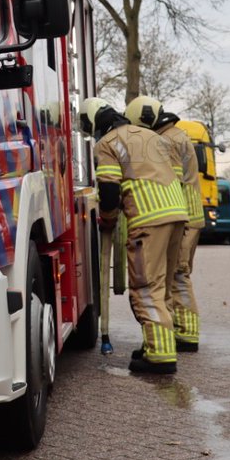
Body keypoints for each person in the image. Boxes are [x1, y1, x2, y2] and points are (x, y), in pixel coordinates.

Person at [80, 97, 189, 375]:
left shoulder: (107, 144)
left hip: (148, 218)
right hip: (178, 214)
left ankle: (160, 356)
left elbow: (109, 191)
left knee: (146, 287)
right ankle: (155, 344)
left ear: (93, 122)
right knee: (163, 286)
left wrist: (107, 219)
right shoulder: (151, 136)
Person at [125, 95, 204, 353]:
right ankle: (183, 331)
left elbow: (169, 179)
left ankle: (182, 333)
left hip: (179, 217)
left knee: (176, 274)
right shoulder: (176, 134)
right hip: (188, 215)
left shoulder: (166, 140)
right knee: (178, 273)